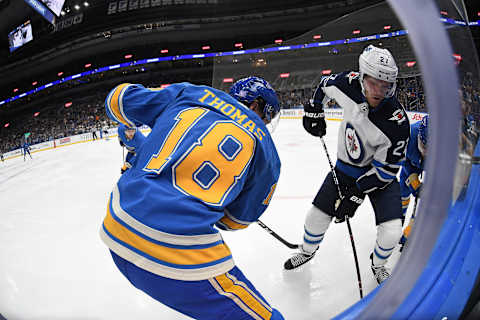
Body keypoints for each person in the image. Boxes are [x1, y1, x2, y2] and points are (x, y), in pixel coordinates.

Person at [100, 77, 284, 319]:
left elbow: (116, 100)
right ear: (256, 106)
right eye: (267, 116)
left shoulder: (191, 92)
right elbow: (234, 222)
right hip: (177, 253)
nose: (265, 123)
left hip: (116, 226)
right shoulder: (269, 154)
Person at [283, 45, 410, 285]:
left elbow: (386, 172)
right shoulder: (348, 83)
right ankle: (307, 251)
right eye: (374, 83)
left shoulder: (397, 122)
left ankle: (378, 264)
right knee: (315, 218)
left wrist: (356, 194)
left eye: (386, 86)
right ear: (361, 77)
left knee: (392, 230)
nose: (379, 91)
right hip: (345, 170)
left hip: (378, 179)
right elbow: (323, 85)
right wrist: (315, 110)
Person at [398, 115, 428, 252]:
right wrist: (414, 180)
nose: (427, 152)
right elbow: (403, 160)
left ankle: (410, 233)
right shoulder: (409, 134)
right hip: (410, 164)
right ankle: (397, 223)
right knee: (402, 195)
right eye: (425, 146)